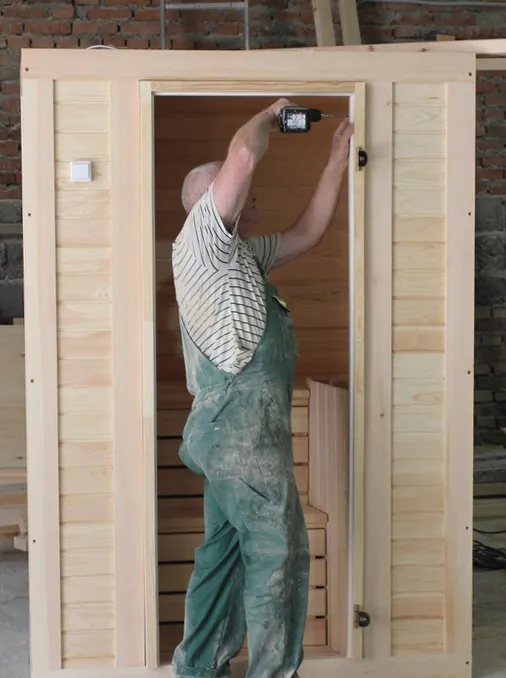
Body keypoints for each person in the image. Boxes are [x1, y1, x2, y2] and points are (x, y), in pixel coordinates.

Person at [171, 98, 353, 678]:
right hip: (240, 434)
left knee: (223, 556)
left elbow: (307, 234)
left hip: (230, 434)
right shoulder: (204, 239)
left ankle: (199, 668)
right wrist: (272, 114)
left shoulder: (242, 256)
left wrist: (336, 160)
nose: (253, 196)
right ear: (213, 199)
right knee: (281, 553)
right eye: (241, 191)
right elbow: (246, 153)